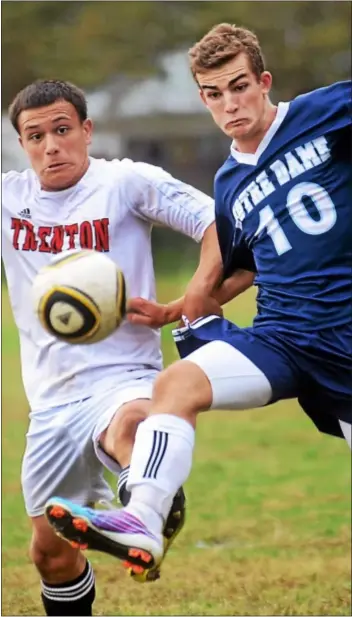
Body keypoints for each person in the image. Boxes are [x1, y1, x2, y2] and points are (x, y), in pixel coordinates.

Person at [45, 22, 352, 578]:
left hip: (347, 336)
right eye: (214, 94)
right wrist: (174, 308)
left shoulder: (324, 112)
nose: (230, 104)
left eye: (239, 87)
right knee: (176, 384)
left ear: (264, 81)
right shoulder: (230, 182)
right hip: (282, 337)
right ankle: (143, 518)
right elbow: (243, 266)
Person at [2, 78, 255, 616]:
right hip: (49, 405)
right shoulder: (10, 201)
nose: (52, 145)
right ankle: (140, 516)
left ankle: (149, 507)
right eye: (36, 135)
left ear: (87, 131)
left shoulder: (126, 182)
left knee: (133, 425)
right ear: (22, 143)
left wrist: (190, 298)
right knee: (50, 558)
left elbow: (219, 223)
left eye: (63, 130)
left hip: (124, 376)